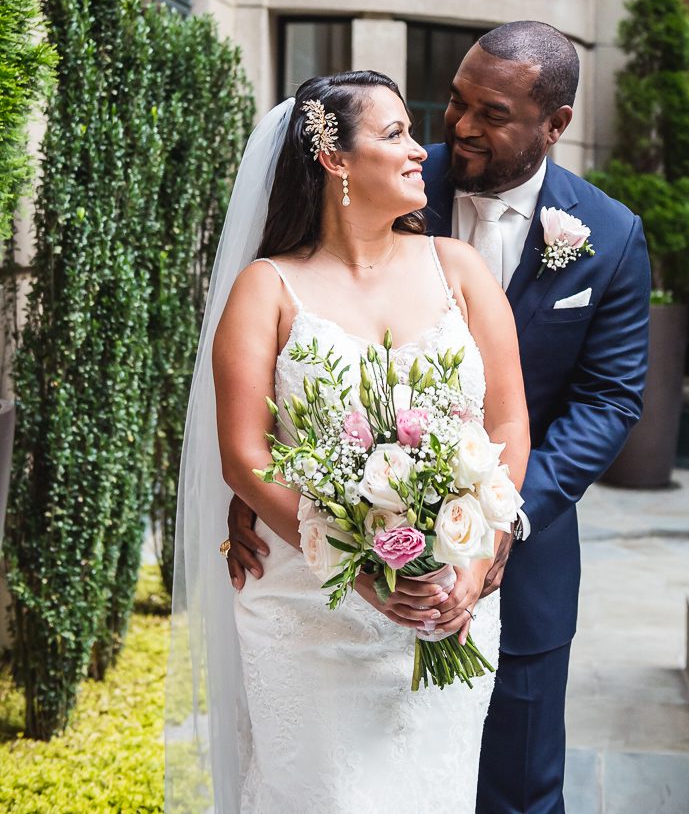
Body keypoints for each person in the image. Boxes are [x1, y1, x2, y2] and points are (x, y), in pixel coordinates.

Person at [228, 24, 651, 813]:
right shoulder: (392, 176)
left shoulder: (611, 235)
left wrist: (489, 524)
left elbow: (608, 401)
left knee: (517, 788)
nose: (455, 128)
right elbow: (266, 405)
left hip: (512, 560)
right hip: (325, 595)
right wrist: (293, 499)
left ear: (555, 123)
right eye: (454, 101)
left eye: (491, 113)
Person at [167, 70, 530, 814]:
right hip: (311, 612)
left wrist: (475, 561)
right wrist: (358, 569)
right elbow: (245, 457)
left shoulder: (459, 269)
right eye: (395, 134)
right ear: (334, 158)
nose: (420, 150)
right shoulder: (267, 288)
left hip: (447, 603)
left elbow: (506, 424)